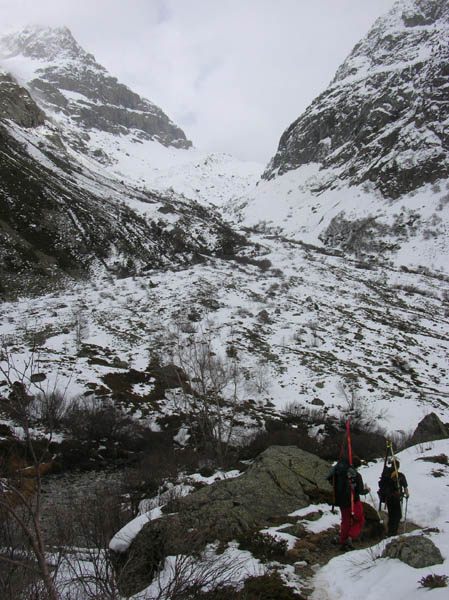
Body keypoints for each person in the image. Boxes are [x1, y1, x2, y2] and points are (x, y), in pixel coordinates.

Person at [327, 455, 370, 551]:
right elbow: (360, 491)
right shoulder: (356, 475)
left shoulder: (340, 473)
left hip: (342, 501)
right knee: (359, 520)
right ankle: (350, 537)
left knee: (345, 521)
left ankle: (343, 541)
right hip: (354, 501)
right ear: (357, 466)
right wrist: (367, 490)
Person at [381, 459, 409, 536]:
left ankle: (389, 531)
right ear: (398, 467)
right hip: (396, 498)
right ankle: (393, 532)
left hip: (388, 498)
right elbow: (405, 487)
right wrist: (407, 494)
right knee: (397, 515)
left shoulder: (386, 475)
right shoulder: (400, 475)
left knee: (391, 514)